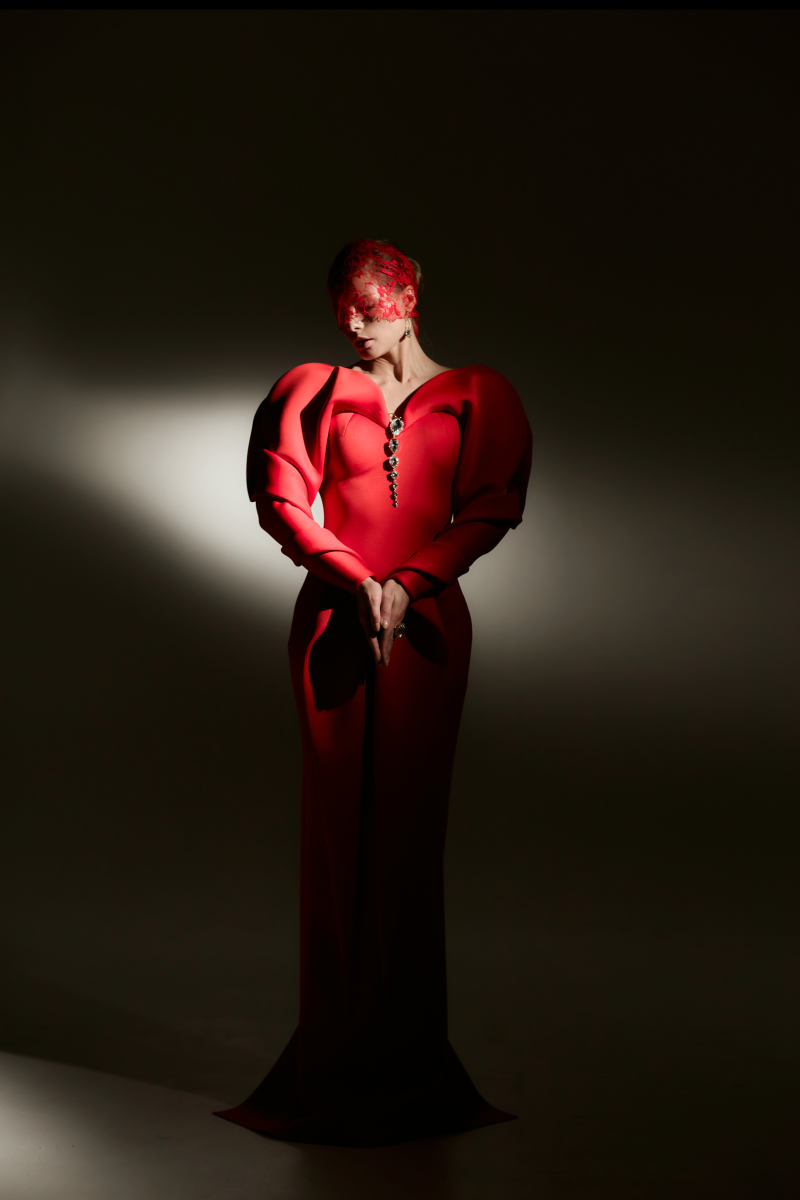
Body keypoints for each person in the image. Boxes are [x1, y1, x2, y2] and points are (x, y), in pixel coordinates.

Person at [213, 238, 533, 1147]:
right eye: (341, 307)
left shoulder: (480, 395)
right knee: (336, 837)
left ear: (406, 300)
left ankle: (407, 1063)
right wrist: (358, 580)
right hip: (333, 623)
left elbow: (492, 505)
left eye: (366, 304)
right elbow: (280, 497)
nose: (350, 322)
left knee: (408, 834)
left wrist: (411, 584)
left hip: (426, 633)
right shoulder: (310, 388)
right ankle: (334, 1063)